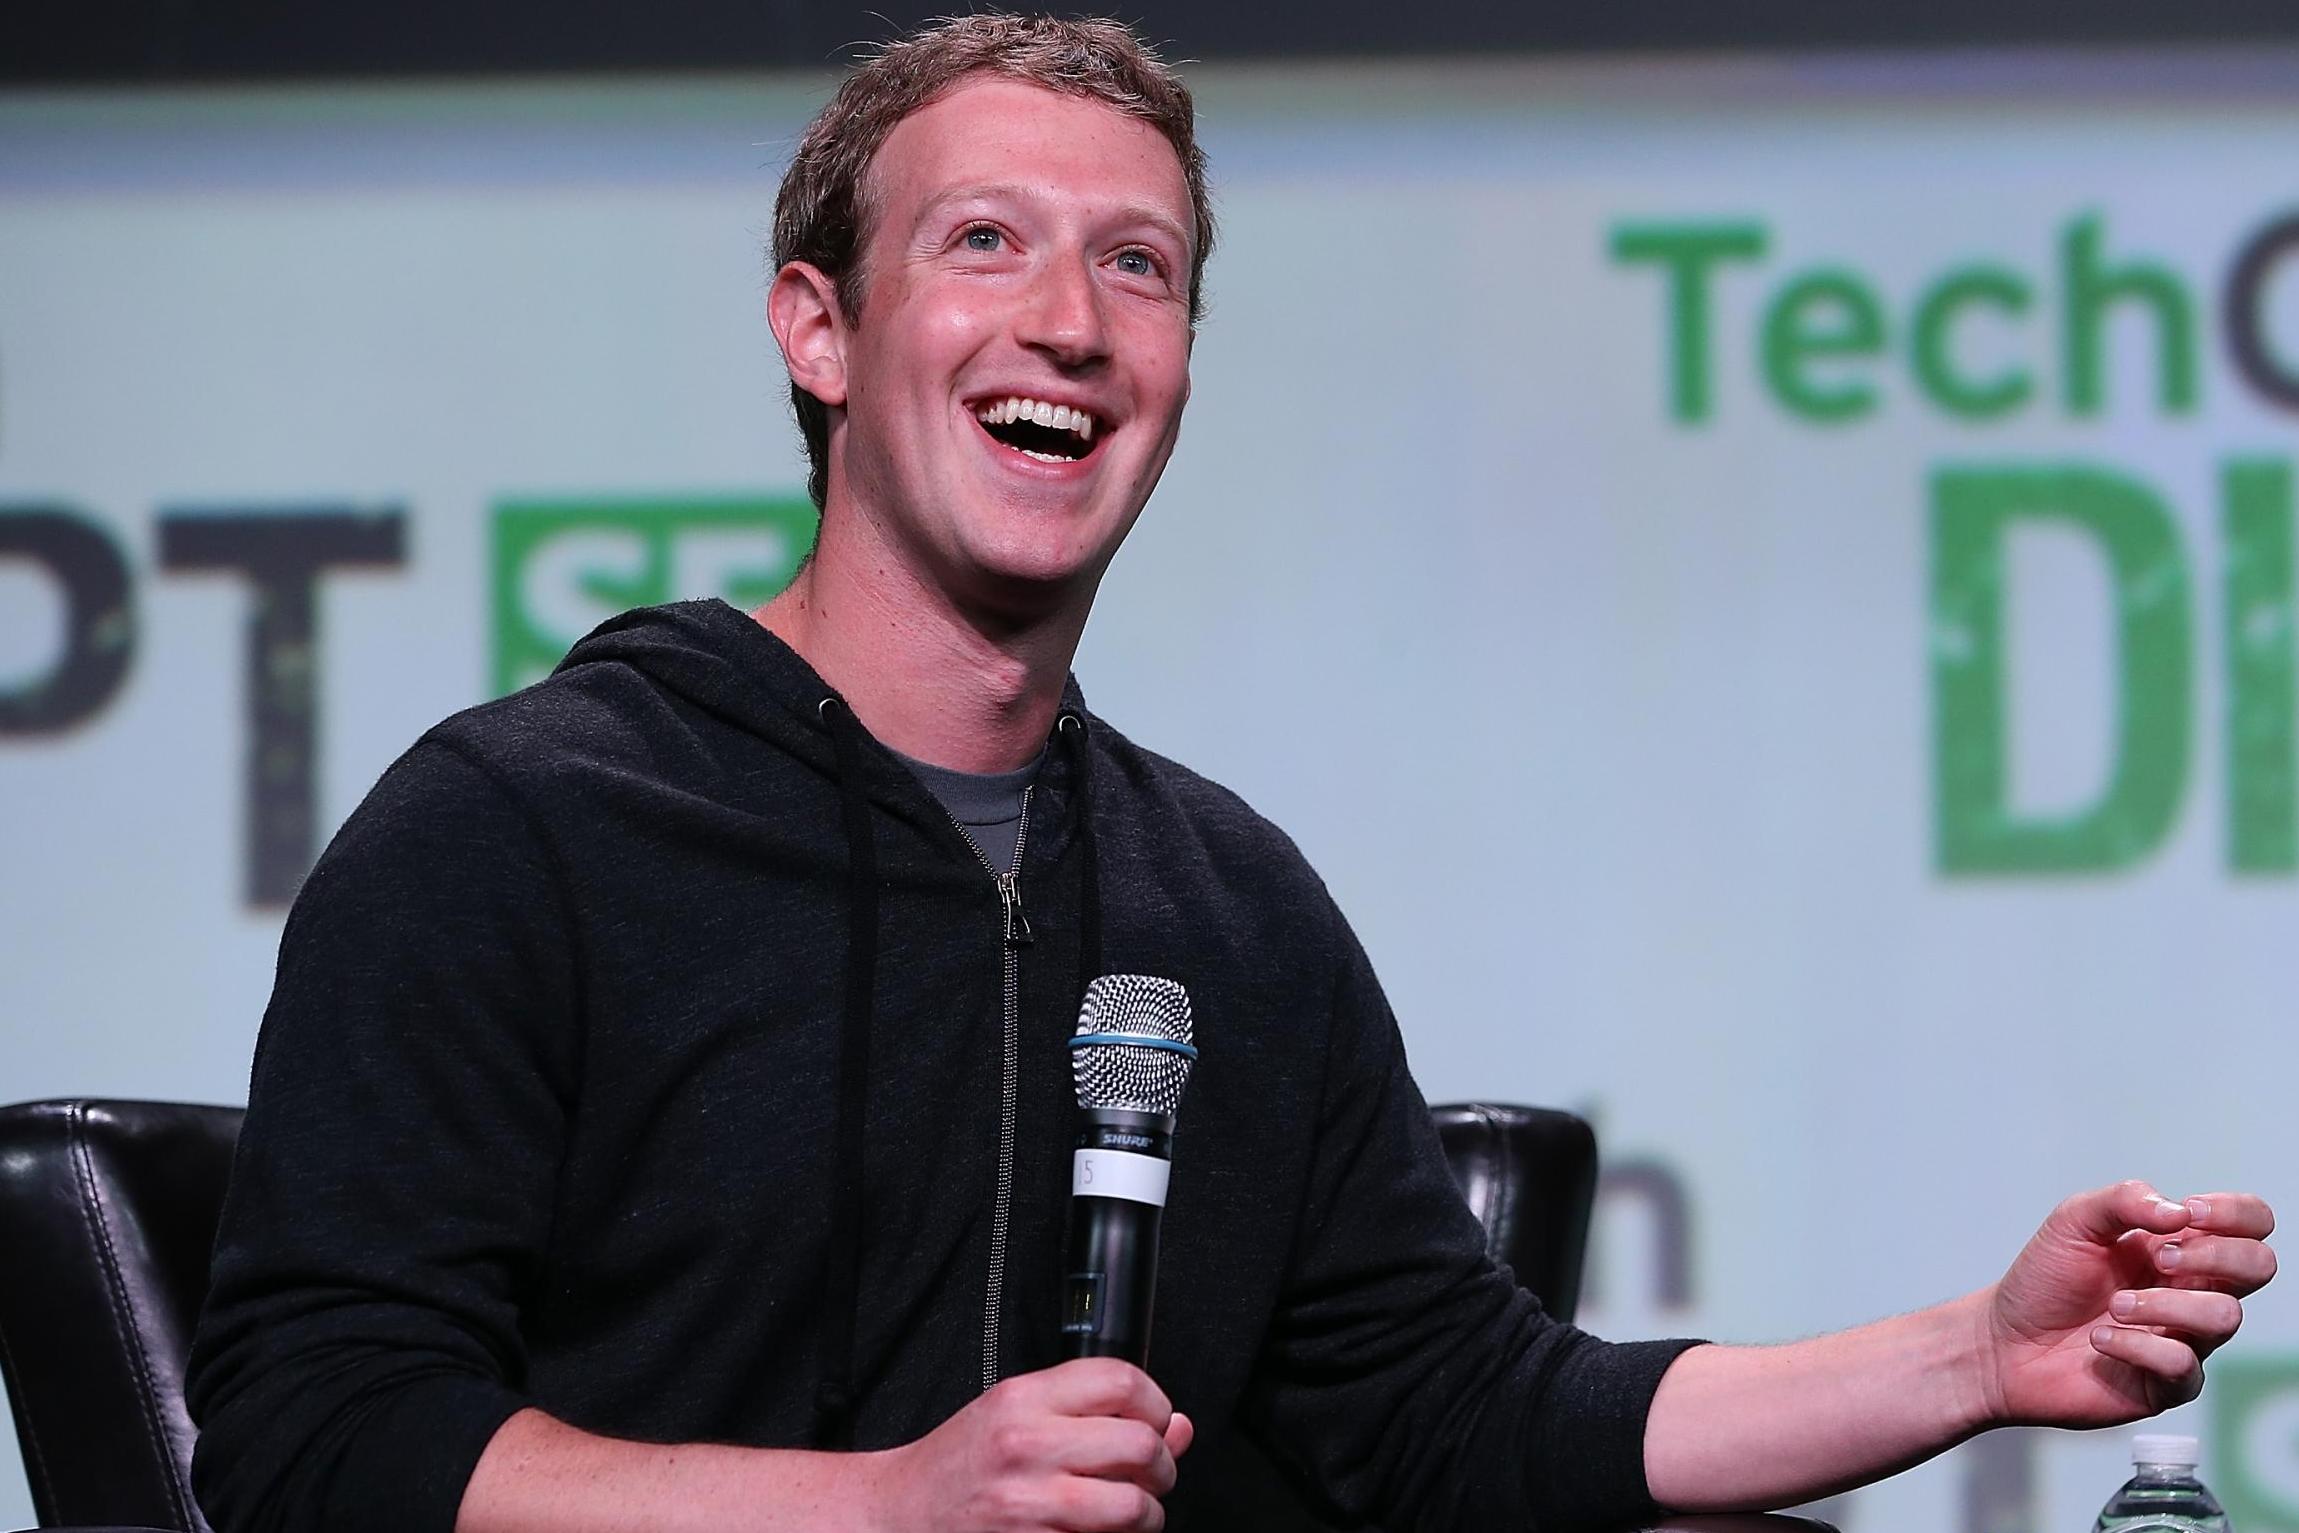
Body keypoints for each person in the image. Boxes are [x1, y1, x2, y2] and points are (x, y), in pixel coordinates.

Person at [185, 15, 2277, 1533]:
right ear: (816, 331)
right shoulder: (523, 826)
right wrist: (890, 1505)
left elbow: (1456, 1413)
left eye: (1140, 265)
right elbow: (318, 1441)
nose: (1073, 322)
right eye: (985, 242)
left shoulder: (1219, 898)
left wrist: (1976, 1359)